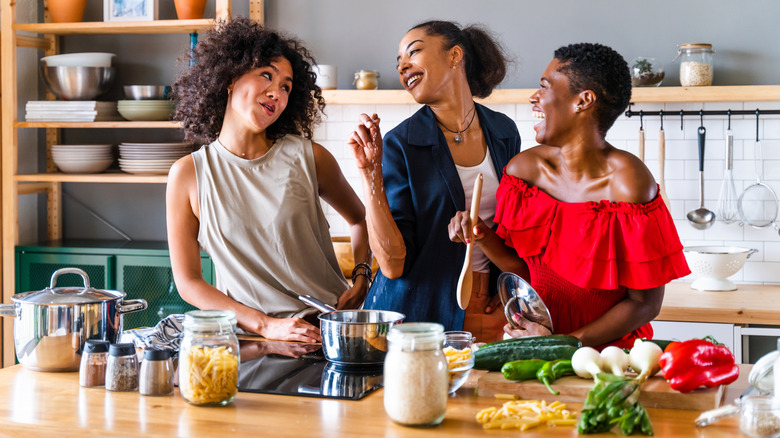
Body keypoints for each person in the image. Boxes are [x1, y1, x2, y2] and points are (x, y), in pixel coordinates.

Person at [449, 43, 690, 349]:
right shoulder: (524, 173)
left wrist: (564, 343)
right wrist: (481, 236)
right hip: (535, 348)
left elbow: (645, 304)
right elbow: (526, 272)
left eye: (544, 87)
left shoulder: (630, 184)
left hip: (605, 359)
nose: (533, 97)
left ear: (583, 101)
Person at [167, 18, 370, 343]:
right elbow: (189, 282)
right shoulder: (188, 175)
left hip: (326, 336)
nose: (277, 92)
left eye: (286, 86)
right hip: (247, 342)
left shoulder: (310, 158)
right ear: (230, 77)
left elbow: (360, 219)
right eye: (267, 75)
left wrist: (362, 277)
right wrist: (265, 325)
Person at [348, 20, 521, 342]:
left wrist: (508, 280)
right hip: (416, 309)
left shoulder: (504, 131)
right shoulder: (401, 143)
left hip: (486, 303)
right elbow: (392, 265)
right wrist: (370, 173)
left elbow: (514, 223)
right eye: (399, 61)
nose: (403, 66)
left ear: (455, 55)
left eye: (413, 52)